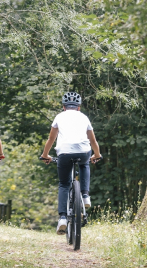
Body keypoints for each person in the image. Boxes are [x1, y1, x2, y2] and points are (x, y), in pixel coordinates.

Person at [40, 92, 102, 235]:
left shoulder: (59, 117)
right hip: (83, 151)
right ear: (79, 108)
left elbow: (51, 139)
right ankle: (85, 195)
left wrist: (45, 155)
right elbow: (93, 140)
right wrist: (97, 154)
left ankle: (62, 218)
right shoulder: (84, 117)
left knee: (64, 184)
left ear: (63, 107)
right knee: (85, 164)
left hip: (64, 152)